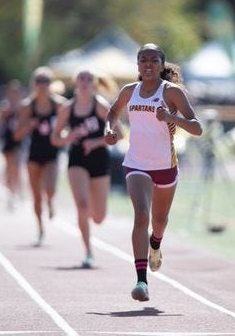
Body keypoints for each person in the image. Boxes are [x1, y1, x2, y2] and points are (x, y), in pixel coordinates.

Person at [104, 43, 203, 302]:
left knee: (158, 222)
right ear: (137, 65)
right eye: (143, 60)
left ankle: (155, 246)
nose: (148, 64)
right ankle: (141, 281)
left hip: (165, 166)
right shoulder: (129, 91)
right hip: (136, 163)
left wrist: (172, 118)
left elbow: (196, 128)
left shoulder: (172, 92)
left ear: (161, 64)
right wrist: (110, 130)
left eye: (153, 60)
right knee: (141, 216)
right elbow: (112, 113)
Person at [51, 68, 120, 268]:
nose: (83, 82)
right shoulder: (67, 109)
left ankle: (90, 211)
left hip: (99, 159)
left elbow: (119, 135)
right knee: (81, 205)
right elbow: (54, 138)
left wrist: (96, 142)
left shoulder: (100, 107)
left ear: (94, 84)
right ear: (75, 82)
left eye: (88, 79)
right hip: (77, 160)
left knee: (98, 217)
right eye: (80, 78)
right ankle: (88, 251)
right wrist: (68, 138)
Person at [13, 67, 66, 246]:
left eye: (45, 82)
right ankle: (40, 229)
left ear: (51, 84)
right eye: (39, 82)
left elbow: (68, 126)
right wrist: (30, 125)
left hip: (52, 152)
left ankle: (51, 201)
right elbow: (17, 135)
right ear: (33, 84)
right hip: (34, 153)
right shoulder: (27, 106)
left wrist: (63, 134)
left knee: (49, 188)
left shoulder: (59, 104)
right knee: (36, 196)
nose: (42, 85)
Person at [0, 79, 25, 210]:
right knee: (9, 167)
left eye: (16, 92)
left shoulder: (23, 107)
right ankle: (10, 192)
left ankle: (17, 187)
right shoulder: (5, 108)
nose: (14, 95)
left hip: (19, 141)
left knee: (16, 166)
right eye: (12, 92)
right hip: (8, 140)